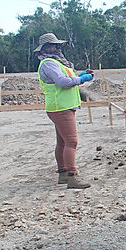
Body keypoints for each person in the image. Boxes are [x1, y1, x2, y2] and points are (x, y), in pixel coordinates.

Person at [35, 33, 94, 188]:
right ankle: (72, 176)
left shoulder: (55, 63)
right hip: (60, 107)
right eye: (54, 45)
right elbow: (62, 82)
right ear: (46, 48)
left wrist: (80, 76)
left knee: (62, 141)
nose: (57, 48)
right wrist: (81, 79)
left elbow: (67, 78)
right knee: (71, 142)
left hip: (61, 106)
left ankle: (63, 174)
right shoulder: (49, 63)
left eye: (57, 45)